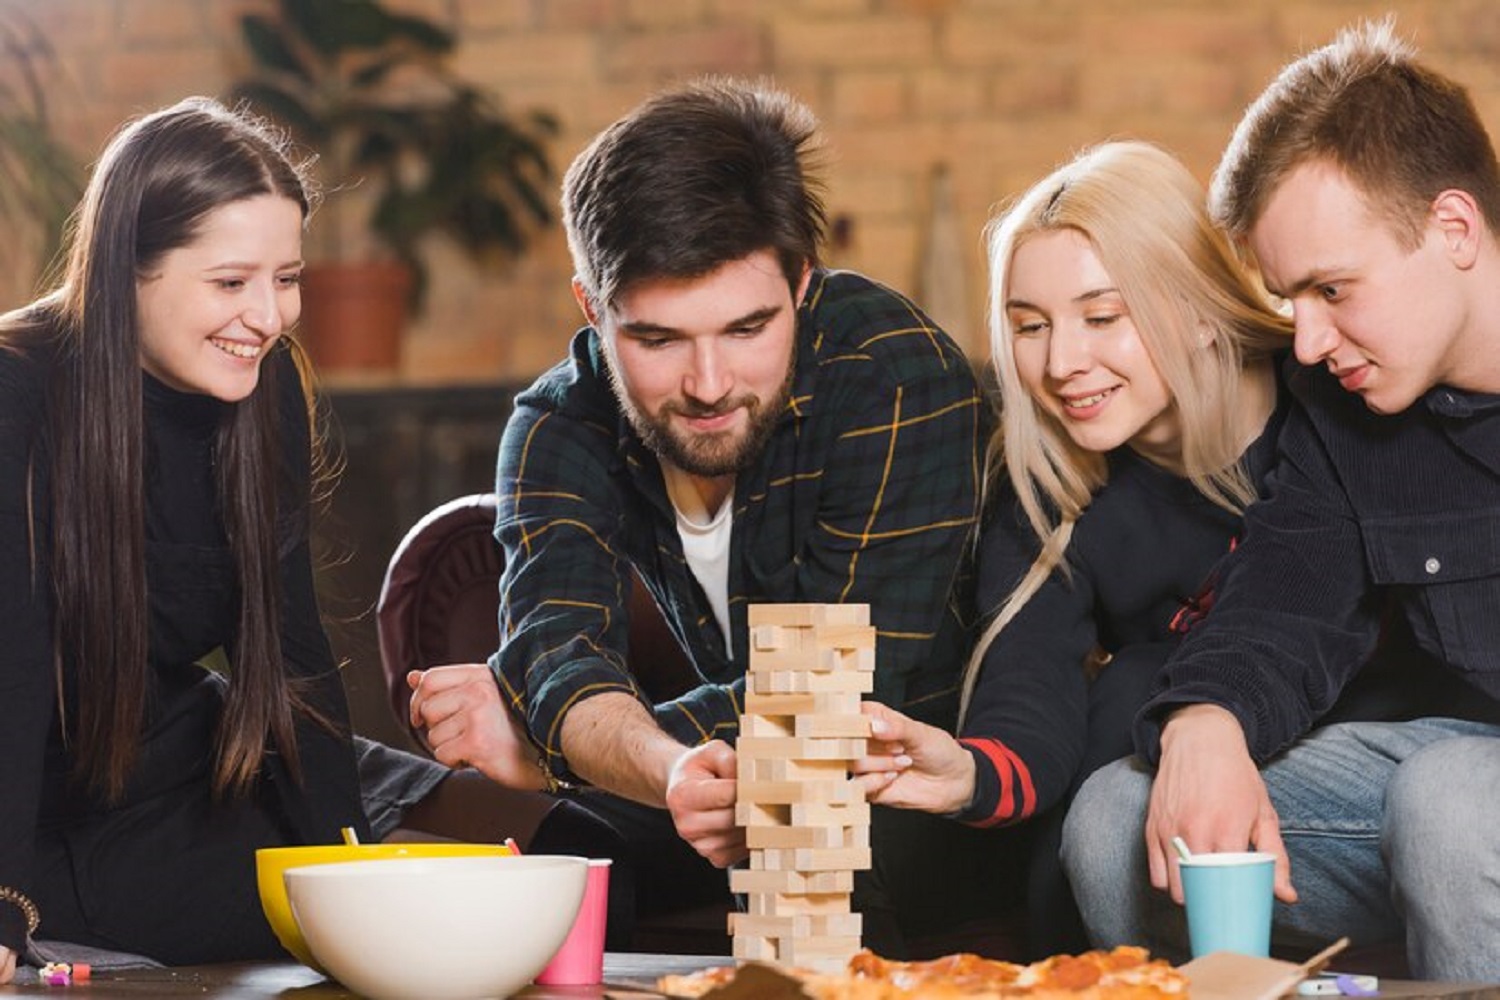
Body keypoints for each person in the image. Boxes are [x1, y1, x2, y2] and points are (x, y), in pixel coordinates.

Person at [0, 96, 605, 983]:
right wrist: (5, 904)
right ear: (128, 269)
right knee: (436, 915)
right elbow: (11, 677)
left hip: (196, 757)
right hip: (47, 812)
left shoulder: (263, 382)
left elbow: (290, 648)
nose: (270, 315)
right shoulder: (16, 388)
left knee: (576, 851)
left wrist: (342, 855)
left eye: (286, 278)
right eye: (231, 282)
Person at [407, 77, 1001, 954]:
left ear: (802, 283)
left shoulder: (892, 374)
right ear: (592, 309)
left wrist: (549, 746)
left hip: (922, 806)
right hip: (724, 805)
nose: (710, 385)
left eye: (747, 329)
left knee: (817, 818)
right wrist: (659, 765)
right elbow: (558, 656)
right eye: (658, 340)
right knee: (477, 841)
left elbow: (838, 691)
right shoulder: (560, 425)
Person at [1062, 21, 1500, 981]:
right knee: (1118, 817)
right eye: (1289, 300)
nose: (1305, 342)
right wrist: (1206, 717)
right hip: (1453, 778)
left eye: (1332, 290)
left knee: (1451, 799)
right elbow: (1286, 591)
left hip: (1462, 798)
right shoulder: (1347, 408)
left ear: (1454, 229)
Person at [850, 141, 1293, 958]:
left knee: (1133, 682)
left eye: (1102, 317)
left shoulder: (1326, 406)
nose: (1060, 363)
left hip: (1344, 743)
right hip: (1156, 767)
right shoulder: (1045, 480)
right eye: (1030, 326)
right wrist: (967, 772)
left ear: (1200, 309)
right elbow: (1030, 690)